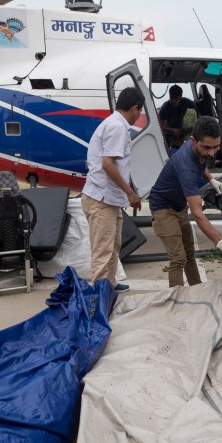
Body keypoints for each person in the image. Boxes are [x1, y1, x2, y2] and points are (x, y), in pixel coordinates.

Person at [148, 116, 222, 287]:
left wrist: (211, 179)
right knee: (178, 259)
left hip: (179, 206)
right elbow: (197, 213)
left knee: (189, 254)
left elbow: (201, 163)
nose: (212, 152)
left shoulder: (195, 148)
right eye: (207, 147)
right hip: (163, 209)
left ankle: (197, 291)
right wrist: (221, 243)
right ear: (193, 140)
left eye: (216, 147)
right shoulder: (185, 165)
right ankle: (177, 303)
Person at [81, 87, 145, 291]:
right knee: (102, 251)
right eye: (140, 112)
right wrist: (130, 192)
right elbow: (108, 164)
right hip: (102, 199)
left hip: (109, 199)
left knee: (114, 247)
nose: (139, 117)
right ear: (135, 108)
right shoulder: (117, 127)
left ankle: (109, 284)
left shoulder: (114, 123)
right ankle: (98, 298)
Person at [158, 85, 195, 150]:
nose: (173, 100)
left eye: (176, 98)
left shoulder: (186, 102)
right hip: (167, 137)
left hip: (180, 135)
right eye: (171, 98)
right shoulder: (164, 108)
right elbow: (162, 128)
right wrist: (173, 130)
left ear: (180, 97)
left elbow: (196, 106)